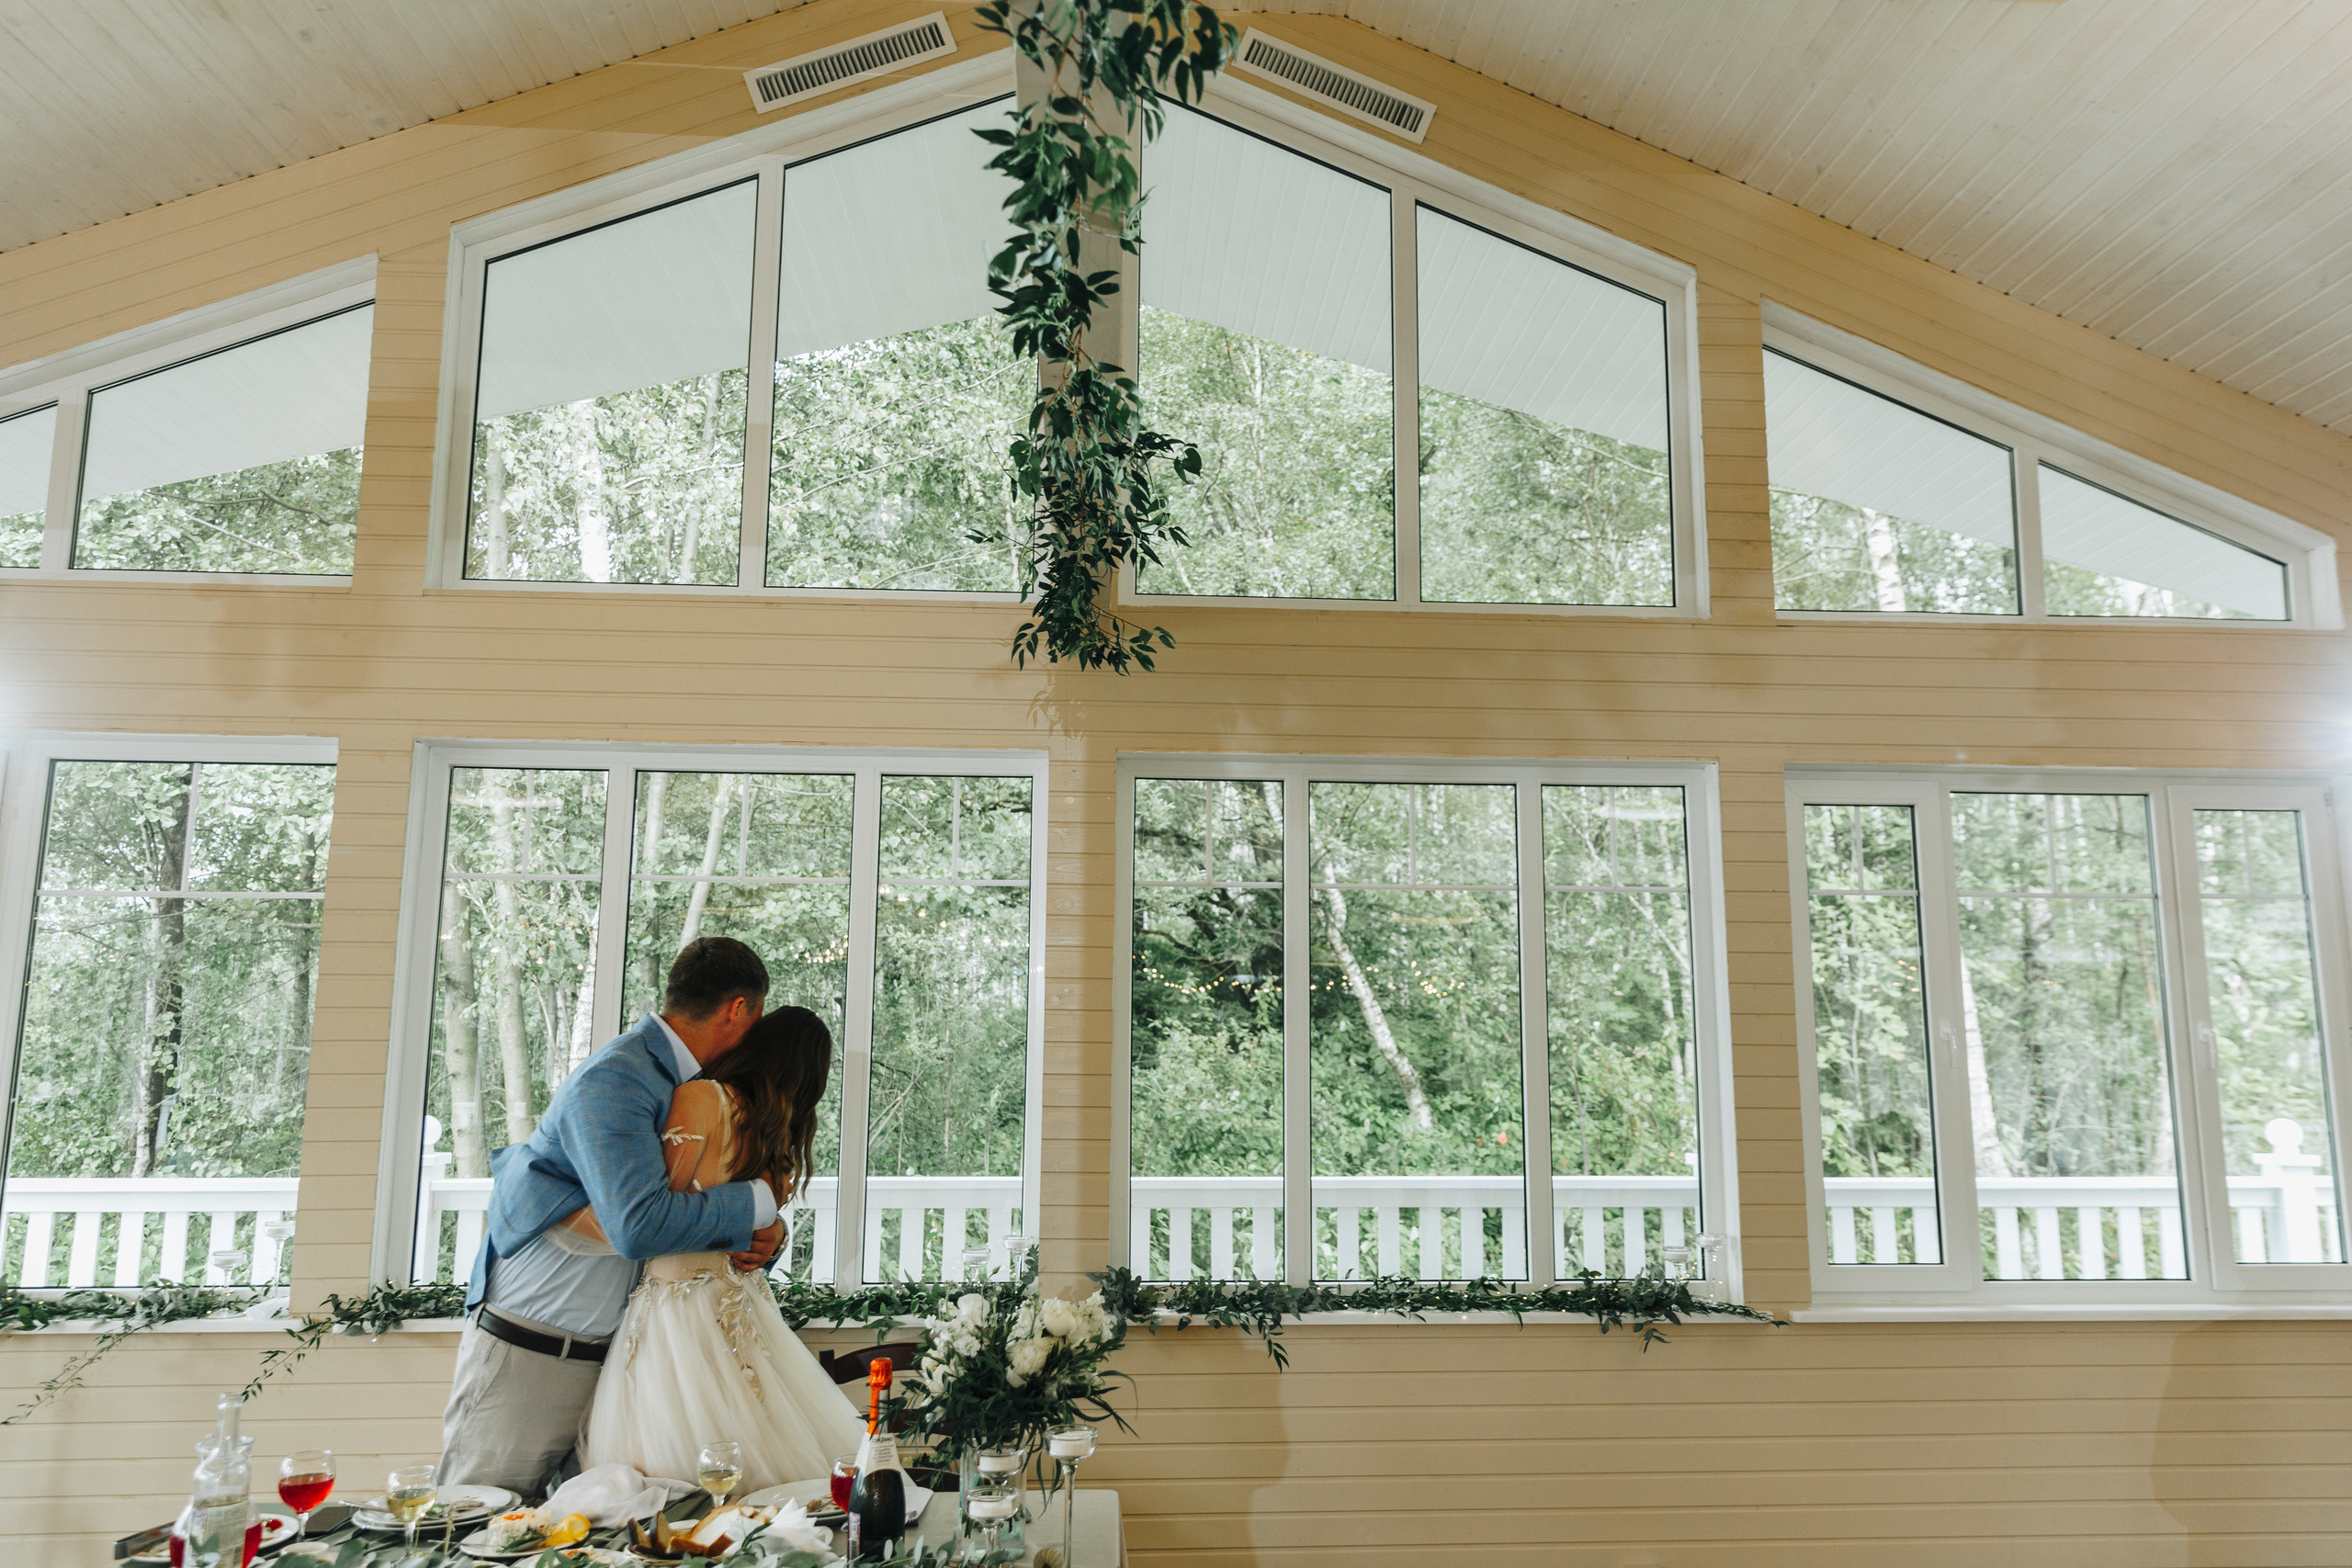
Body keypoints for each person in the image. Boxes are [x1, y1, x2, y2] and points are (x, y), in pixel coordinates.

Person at [440, 937, 786, 1497]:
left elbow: (691, 1203)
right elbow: (638, 1226)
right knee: (478, 1525)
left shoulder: (694, 1089)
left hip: (617, 1359)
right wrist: (756, 1202)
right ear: (739, 1009)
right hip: (535, 1351)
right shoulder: (618, 1077)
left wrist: (767, 1231)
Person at [577, 1006, 864, 1492]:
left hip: (678, 1309)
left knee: (672, 1475)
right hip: (742, 1303)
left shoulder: (702, 1097)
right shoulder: (771, 1128)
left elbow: (654, 1212)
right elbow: (758, 1216)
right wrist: (774, 1232)